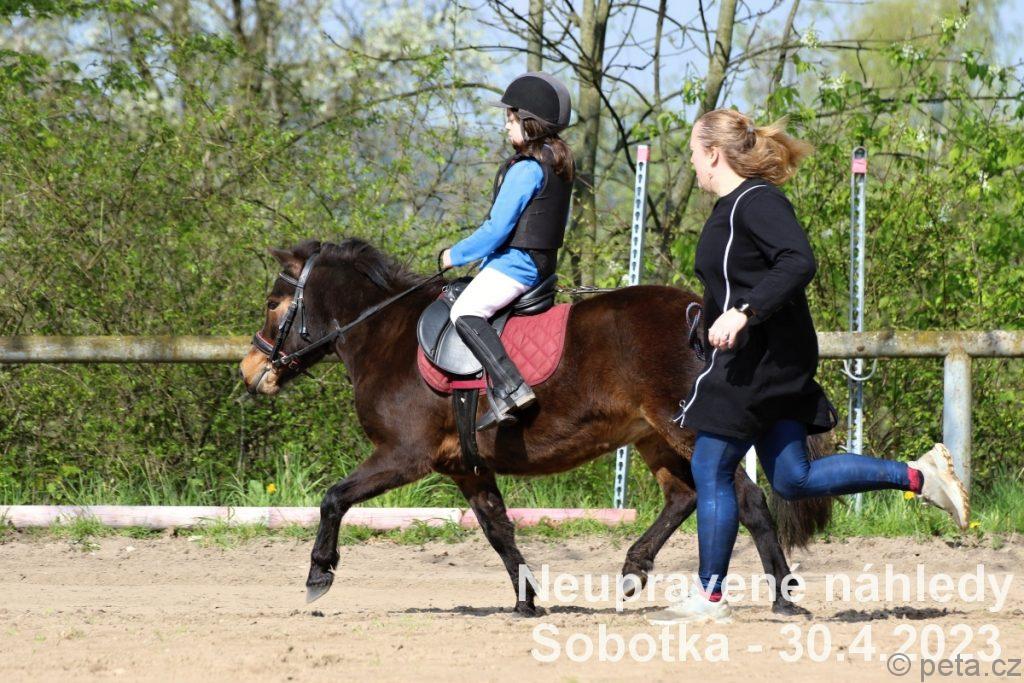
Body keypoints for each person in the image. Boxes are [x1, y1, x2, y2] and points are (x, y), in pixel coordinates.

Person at [647, 109, 970, 625]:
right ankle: (918, 475)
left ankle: (709, 596)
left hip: (761, 363)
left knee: (710, 463)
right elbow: (734, 279)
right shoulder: (731, 207)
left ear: (712, 153)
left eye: (691, 152)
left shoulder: (758, 202)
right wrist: (710, 320)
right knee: (793, 478)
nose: (690, 162)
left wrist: (744, 312)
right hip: (761, 361)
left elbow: (798, 261)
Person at [440, 72, 575, 431]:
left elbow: (495, 230)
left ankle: (511, 387)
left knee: (464, 310)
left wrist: (453, 255)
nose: (506, 126)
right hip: (541, 264)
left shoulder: (526, 169)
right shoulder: (557, 163)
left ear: (529, 124)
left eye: (511, 119)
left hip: (516, 265)